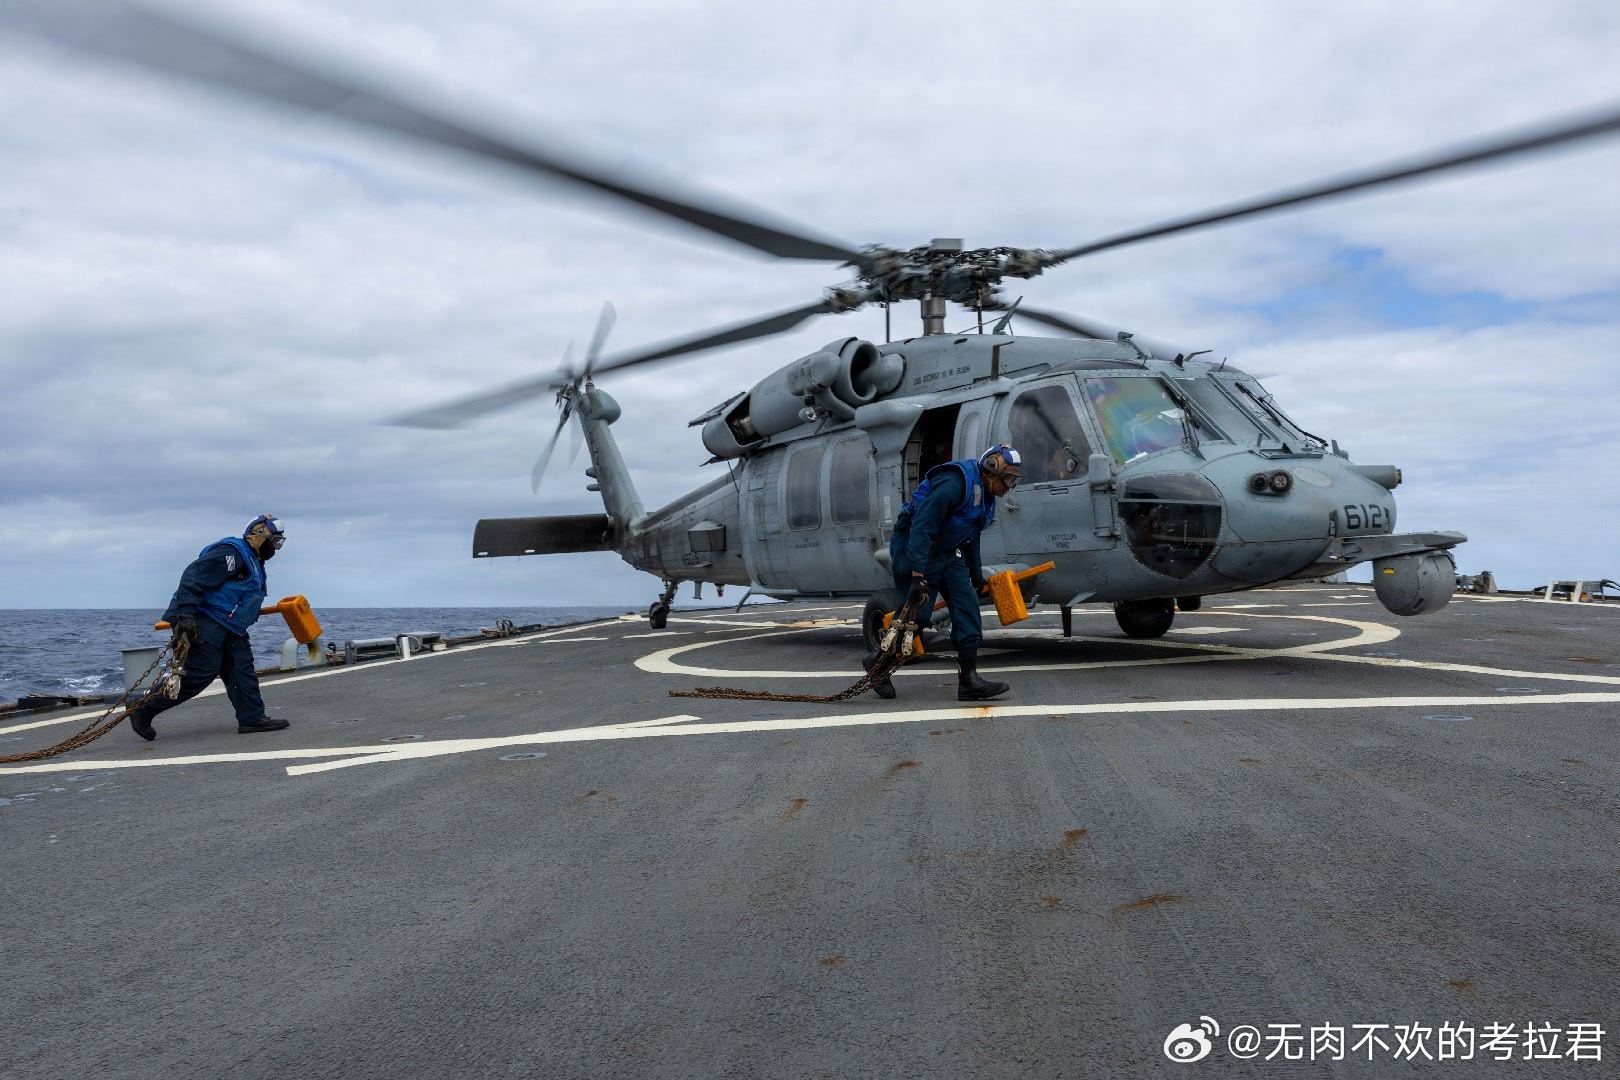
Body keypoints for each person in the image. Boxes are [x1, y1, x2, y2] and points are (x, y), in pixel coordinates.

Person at [869, 444, 1023, 701]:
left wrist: (975, 573)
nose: (1009, 487)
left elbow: (971, 534)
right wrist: (917, 576)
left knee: (967, 605)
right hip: (916, 545)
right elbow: (921, 527)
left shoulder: (986, 495)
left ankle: (969, 680)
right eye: (1007, 479)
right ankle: (878, 665)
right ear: (991, 468)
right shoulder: (953, 483)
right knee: (918, 614)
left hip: (948, 550)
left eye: (1014, 481)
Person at [127, 515, 292, 740]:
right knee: (199, 674)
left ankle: (252, 718)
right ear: (259, 534)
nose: (275, 548)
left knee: (241, 670)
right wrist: (186, 615)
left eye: (278, 543)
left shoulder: (253, 560)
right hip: (204, 620)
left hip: (230, 627)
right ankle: (142, 707)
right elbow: (193, 577)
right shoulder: (231, 554)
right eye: (273, 541)